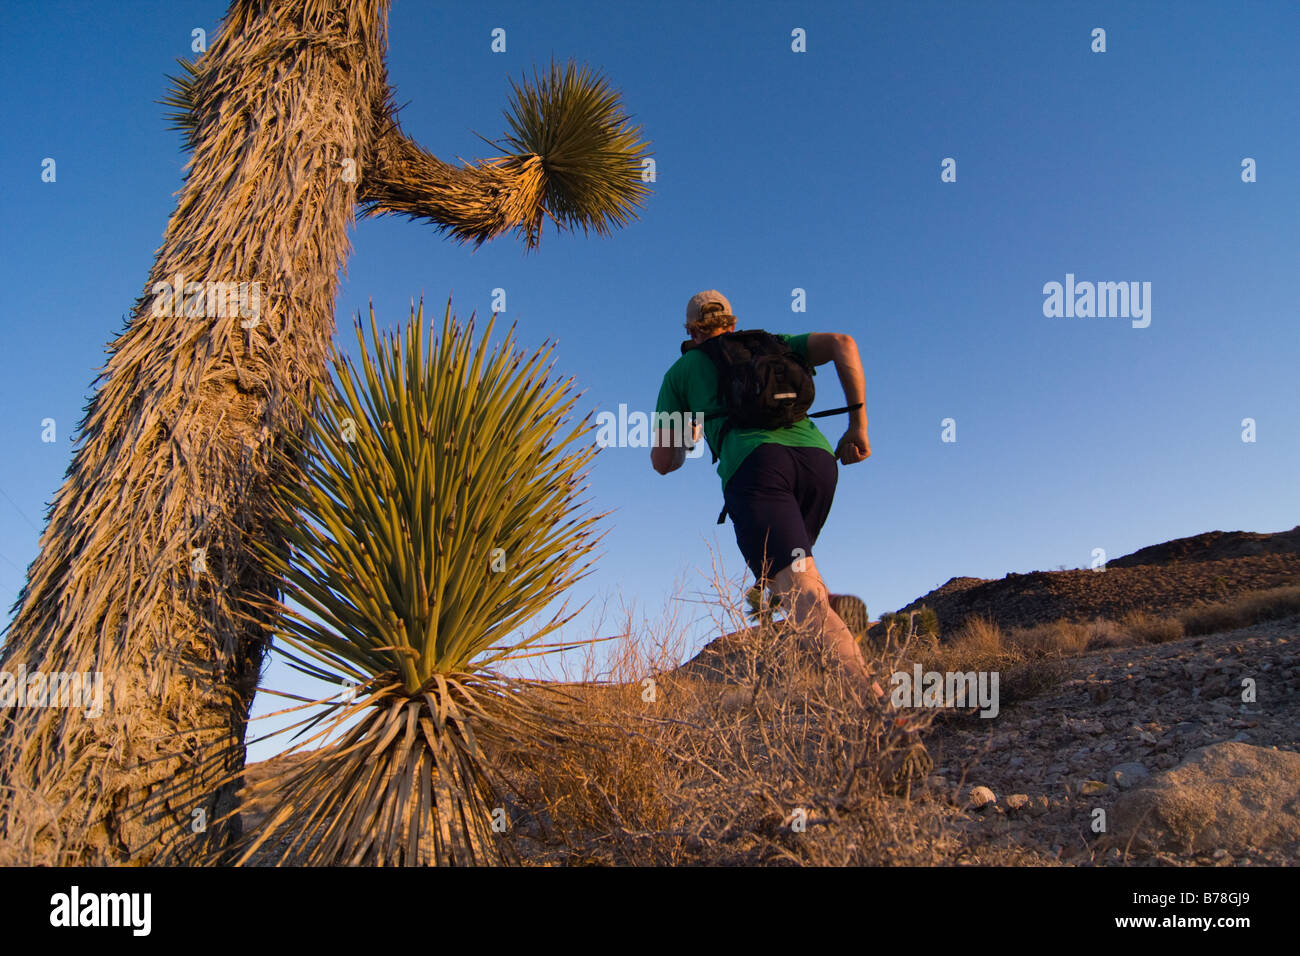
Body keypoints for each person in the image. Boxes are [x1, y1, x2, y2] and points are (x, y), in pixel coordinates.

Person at [651, 289, 882, 700]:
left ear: (691, 331)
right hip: (817, 462)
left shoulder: (681, 372)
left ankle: (877, 706)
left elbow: (664, 461)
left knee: (800, 595)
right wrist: (858, 426)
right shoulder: (772, 343)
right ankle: (842, 677)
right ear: (732, 324)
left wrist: (690, 433)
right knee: (804, 580)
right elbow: (842, 343)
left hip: (757, 469)